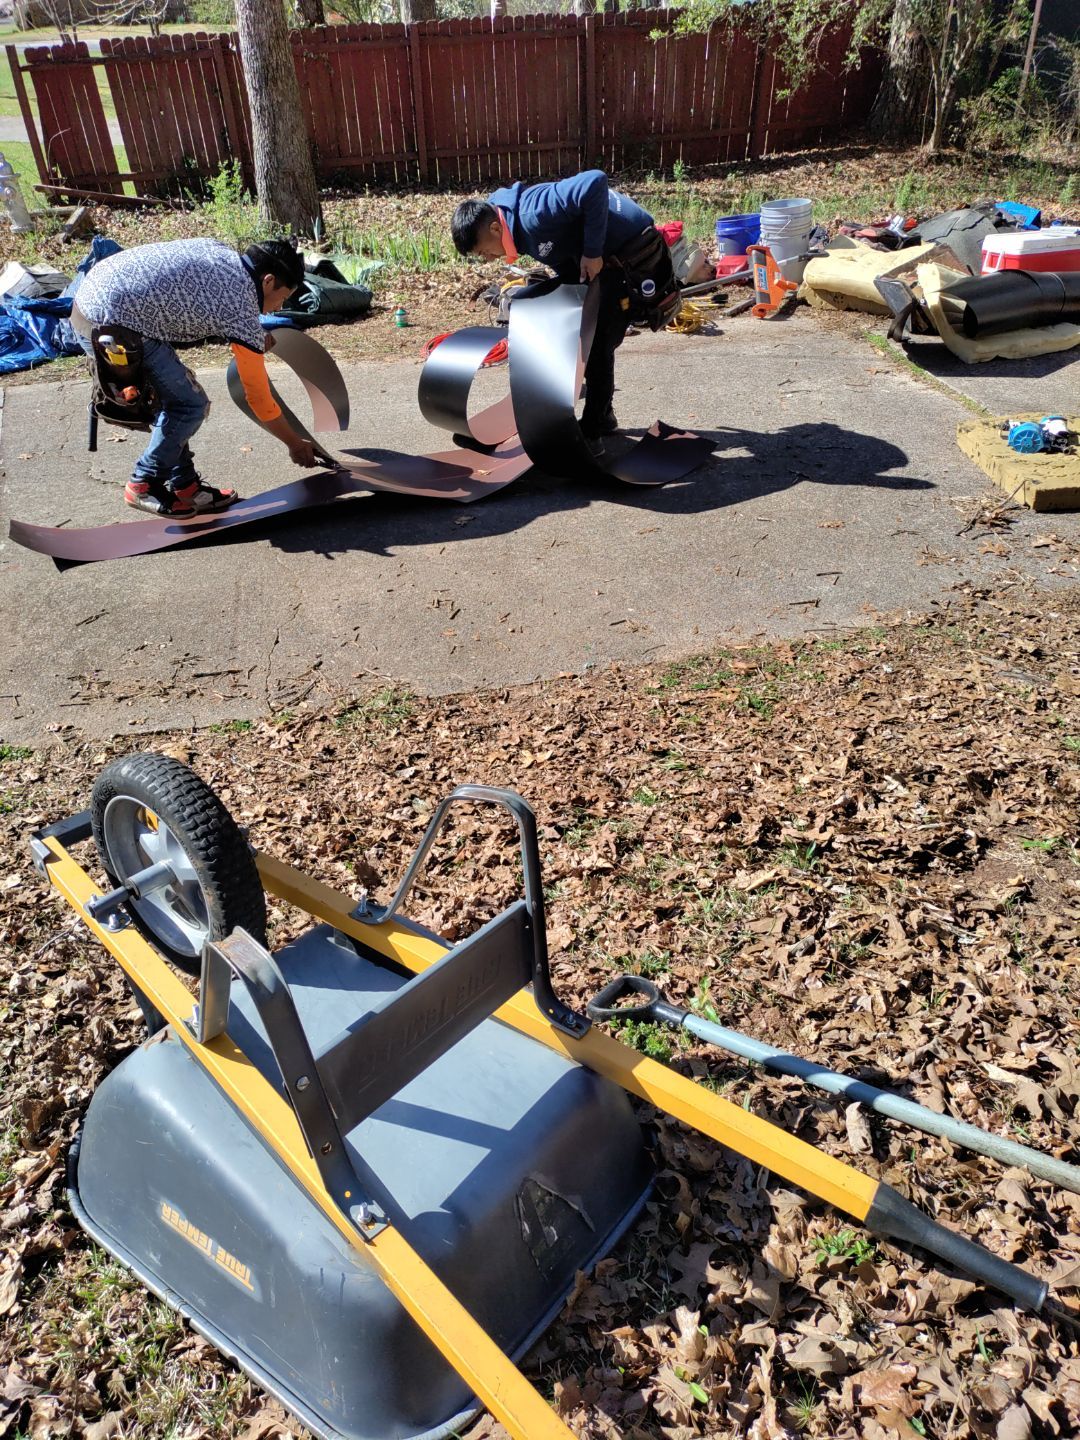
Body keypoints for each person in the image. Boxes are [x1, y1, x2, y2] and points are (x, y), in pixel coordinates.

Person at [72, 237, 317, 516]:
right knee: (189, 405)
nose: (277, 309)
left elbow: (203, 296)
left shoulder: (223, 253)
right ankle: (144, 483)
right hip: (112, 327)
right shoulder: (241, 305)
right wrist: (294, 445)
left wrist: (252, 334)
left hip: (92, 299)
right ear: (268, 281)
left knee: (175, 400)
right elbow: (258, 398)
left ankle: (184, 486)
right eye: (282, 298)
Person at [451, 170, 676, 455]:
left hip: (631, 250)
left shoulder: (536, 212)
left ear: (496, 229)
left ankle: (594, 430)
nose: (487, 259)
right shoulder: (504, 218)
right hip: (598, 259)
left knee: (597, 345)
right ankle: (601, 414)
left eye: (484, 252)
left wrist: (592, 252)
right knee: (543, 311)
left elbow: (594, 181)